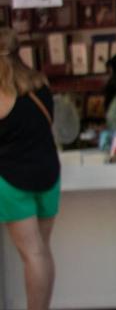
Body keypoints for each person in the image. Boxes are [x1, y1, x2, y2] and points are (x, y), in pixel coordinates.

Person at [0, 28, 60, 310]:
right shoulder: (40, 84)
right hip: (48, 175)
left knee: (32, 254)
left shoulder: (3, 93)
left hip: (14, 181)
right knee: (42, 250)